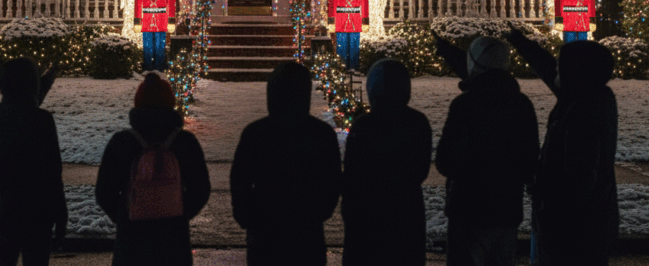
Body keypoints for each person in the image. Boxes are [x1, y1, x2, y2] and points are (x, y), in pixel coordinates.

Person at [505, 28, 618, 266]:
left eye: (561, 65)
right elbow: (547, 67)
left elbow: (579, 179)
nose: (556, 69)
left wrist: (544, 193)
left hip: (571, 231)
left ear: (574, 71)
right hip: (592, 223)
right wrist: (520, 41)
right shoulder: (590, 95)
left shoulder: (581, 114)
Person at [434, 35, 539, 266]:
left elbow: (446, 161)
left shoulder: (465, 105)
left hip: (468, 209)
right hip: (506, 208)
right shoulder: (522, 104)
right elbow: (530, 161)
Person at [231, 61, 342, 266]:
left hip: (265, 227)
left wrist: (247, 216)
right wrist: (320, 212)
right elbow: (332, 180)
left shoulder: (257, 133)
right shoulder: (320, 134)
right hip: (306, 226)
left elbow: (240, 180)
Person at [95, 72, 210, 266]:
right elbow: (201, 189)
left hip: (132, 241)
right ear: (170, 102)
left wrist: (125, 215)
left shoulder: (121, 142)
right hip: (173, 241)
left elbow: (104, 192)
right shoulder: (185, 142)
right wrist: (180, 213)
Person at [342, 59, 432, 266]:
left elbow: (352, 174)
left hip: (367, 214)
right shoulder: (417, 123)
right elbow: (421, 169)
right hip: (406, 211)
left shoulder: (364, 125)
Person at [0, 58, 68, 266]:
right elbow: (53, 172)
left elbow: (25, 103)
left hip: (2, 209)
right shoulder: (42, 120)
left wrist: (50, 74)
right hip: (37, 211)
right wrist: (61, 213)